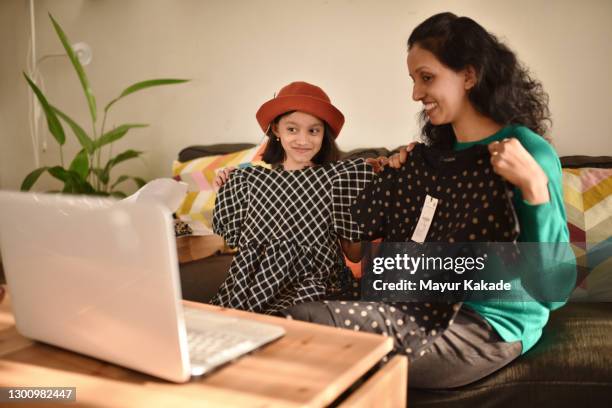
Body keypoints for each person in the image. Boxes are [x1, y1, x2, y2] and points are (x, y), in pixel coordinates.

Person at [281, 12, 573, 389]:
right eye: (414, 80)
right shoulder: (434, 156)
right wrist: (391, 186)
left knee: (307, 330)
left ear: (469, 75)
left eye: (427, 78)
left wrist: (535, 188)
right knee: (295, 321)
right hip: (414, 306)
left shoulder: (529, 152)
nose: (416, 94)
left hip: (483, 327)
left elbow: (556, 292)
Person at [210, 81, 373, 314]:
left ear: (324, 132)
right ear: (276, 129)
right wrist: (227, 188)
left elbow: (354, 254)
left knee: (298, 319)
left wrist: (360, 206)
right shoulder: (248, 181)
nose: (303, 140)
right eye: (292, 129)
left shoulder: (338, 181)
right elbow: (231, 242)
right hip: (253, 289)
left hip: (314, 287)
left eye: (313, 130)